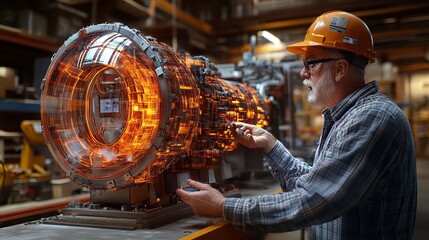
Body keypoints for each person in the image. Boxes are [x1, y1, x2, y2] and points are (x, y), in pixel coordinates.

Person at [176, 11, 417, 239]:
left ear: (340, 69)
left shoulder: (372, 118)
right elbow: (317, 184)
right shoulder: (344, 117)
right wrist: (271, 146)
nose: (303, 73)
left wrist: (224, 207)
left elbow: (314, 200)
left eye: (310, 64)